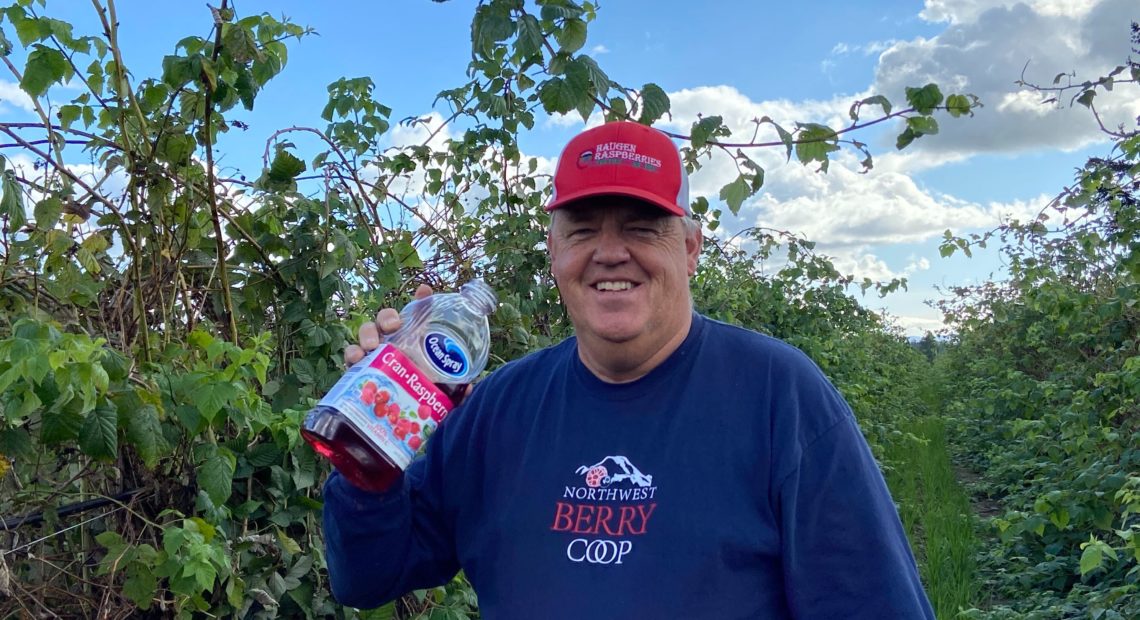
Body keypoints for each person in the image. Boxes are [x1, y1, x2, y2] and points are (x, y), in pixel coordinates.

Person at [322, 120, 935, 618]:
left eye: (642, 228)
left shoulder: (782, 397)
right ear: (554, 251)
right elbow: (369, 578)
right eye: (583, 229)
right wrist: (369, 455)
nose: (610, 252)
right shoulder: (497, 406)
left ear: (690, 249)